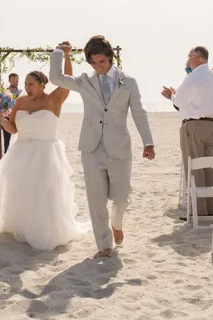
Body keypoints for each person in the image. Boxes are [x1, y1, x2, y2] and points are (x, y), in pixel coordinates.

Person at [50, 36, 155, 258]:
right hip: (91, 146)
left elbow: (138, 113)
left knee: (122, 198)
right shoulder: (84, 81)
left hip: (119, 146)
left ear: (110, 58)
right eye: (94, 63)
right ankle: (104, 245)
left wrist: (148, 142)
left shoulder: (129, 82)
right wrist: (59, 53)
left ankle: (117, 224)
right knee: (96, 200)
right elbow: (56, 78)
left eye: (102, 62)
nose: (99, 67)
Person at [0, 63, 89, 250]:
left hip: (46, 154)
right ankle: (22, 225)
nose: (27, 88)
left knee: (42, 190)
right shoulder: (20, 102)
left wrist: (67, 56)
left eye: (31, 84)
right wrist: (0, 117)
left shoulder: (54, 99)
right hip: (20, 153)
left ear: (42, 84)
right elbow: (13, 129)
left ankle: (43, 228)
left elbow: (68, 79)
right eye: (26, 84)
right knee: (21, 190)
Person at [162, 46, 213, 218]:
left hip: (196, 125)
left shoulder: (196, 76)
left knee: (194, 167)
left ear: (198, 58)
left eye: (190, 57)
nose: (189, 60)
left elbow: (180, 100)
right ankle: (209, 210)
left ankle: (198, 211)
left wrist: (171, 95)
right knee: (207, 166)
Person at [2, 73, 21, 152]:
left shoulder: (21, 92)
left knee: (18, 139)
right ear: (9, 80)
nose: (15, 82)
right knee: (7, 139)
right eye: (13, 80)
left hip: (18, 118)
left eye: (16, 80)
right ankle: (6, 157)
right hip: (7, 118)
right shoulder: (4, 92)